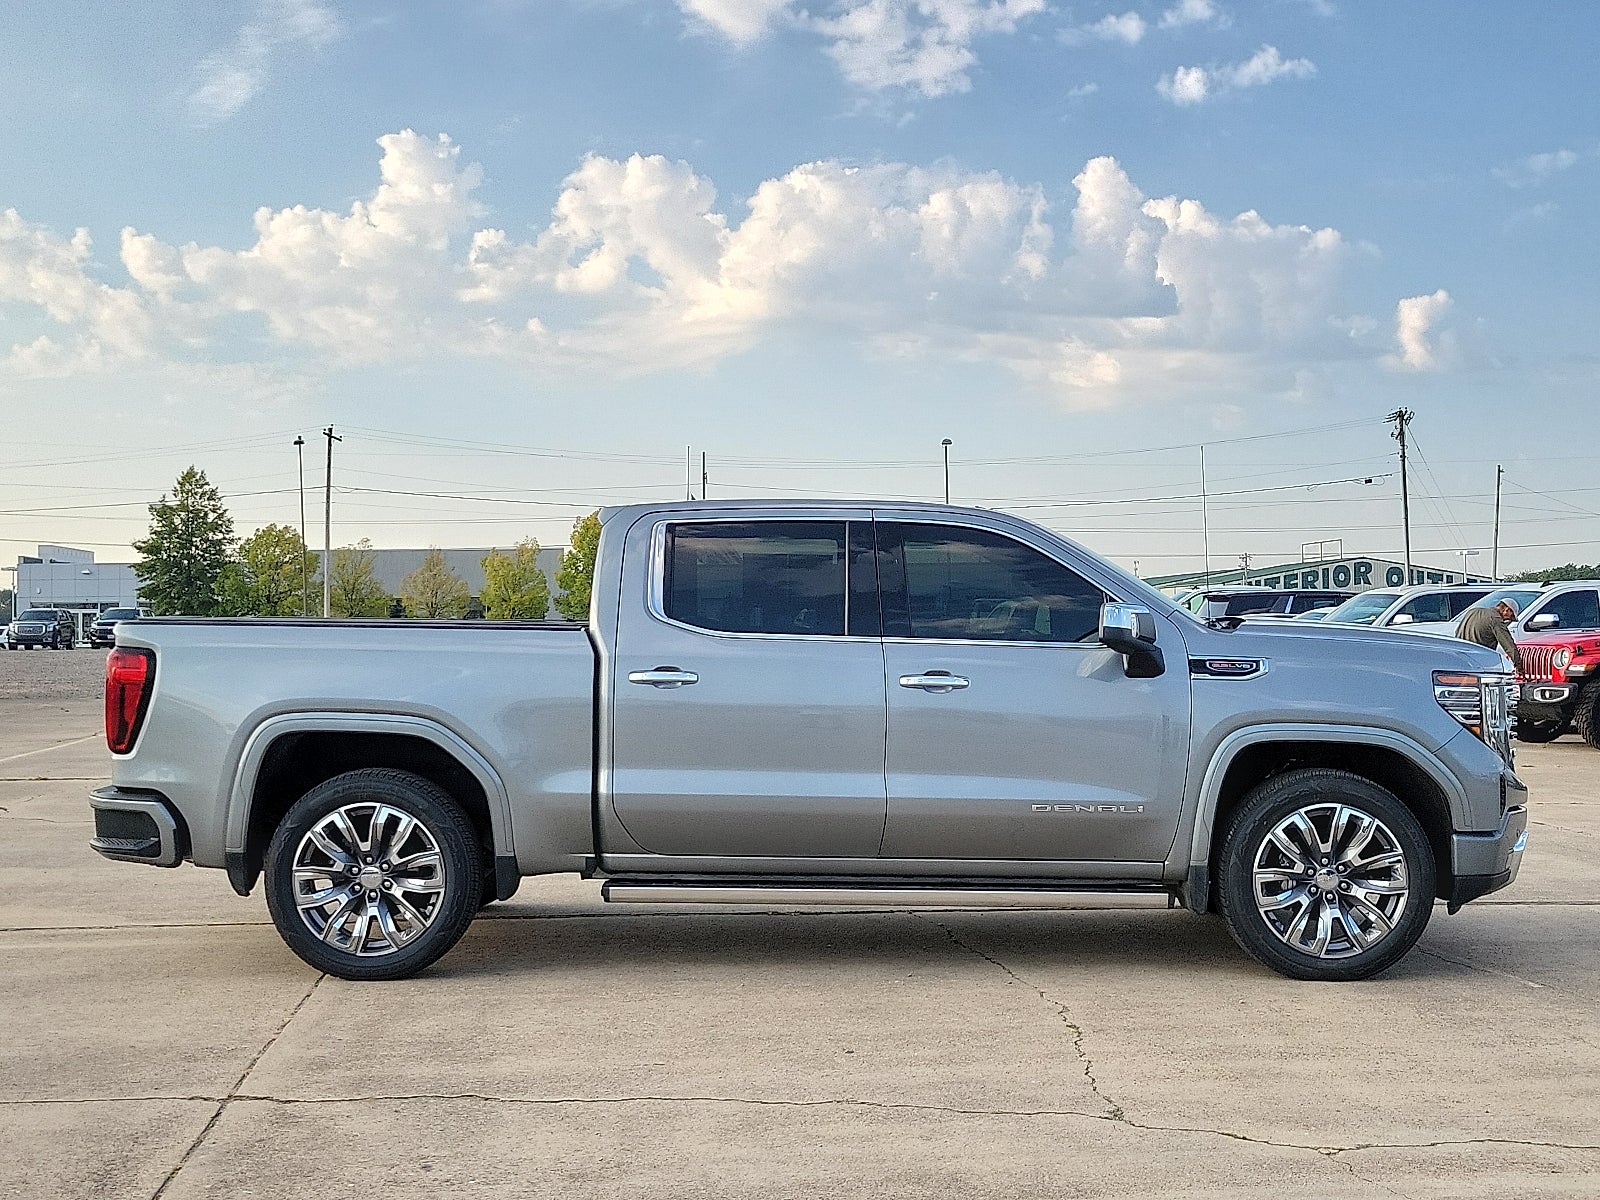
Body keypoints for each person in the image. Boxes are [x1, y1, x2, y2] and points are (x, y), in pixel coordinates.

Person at [1455, 597, 1524, 673]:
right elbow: (1508, 645)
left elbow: (1457, 631)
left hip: (1460, 657)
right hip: (1479, 661)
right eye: (1511, 617)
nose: (1507, 620)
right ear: (1506, 610)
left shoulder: (1472, 612)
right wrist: (1519, 666)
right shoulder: (1495, 619)